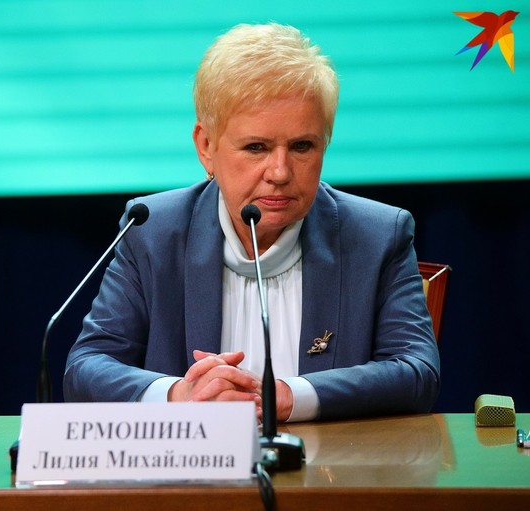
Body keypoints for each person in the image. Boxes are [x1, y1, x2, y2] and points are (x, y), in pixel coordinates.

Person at [63, 22, 440, 421]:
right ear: (206, 146)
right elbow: (86, 367)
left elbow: (417, 372)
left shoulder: (378, 236)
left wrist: (289, 396)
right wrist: (178, 395)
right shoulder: (152, 231)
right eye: (256, 147)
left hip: (330, 460)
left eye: (302, 146)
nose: (279, 172)